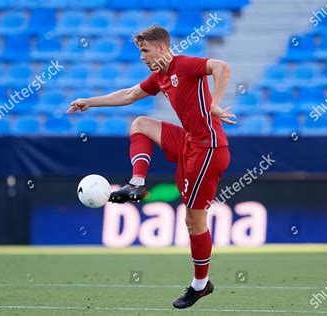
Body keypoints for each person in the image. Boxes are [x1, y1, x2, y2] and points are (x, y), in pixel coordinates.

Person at [66, 25, 236, 309]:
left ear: (161, 47)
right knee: (140, 124)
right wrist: (89, 103)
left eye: (145, 50)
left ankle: (200, 285)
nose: (142, 57)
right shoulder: (161, 77)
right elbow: (130, 95)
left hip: (208, 149)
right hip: (190, 143)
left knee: (194, 222)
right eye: (140, 51)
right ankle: (137, 182)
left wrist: (215, 104)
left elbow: (222, 67)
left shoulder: (184, 65)